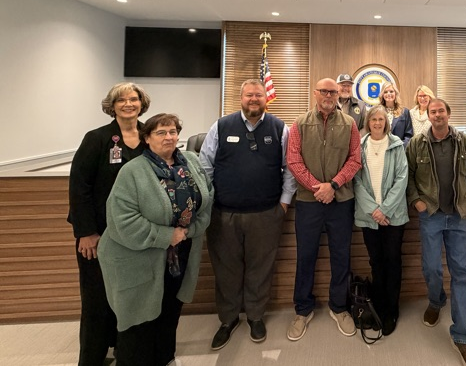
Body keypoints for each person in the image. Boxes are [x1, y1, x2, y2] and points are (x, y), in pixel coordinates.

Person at [98, 114, 213, 366]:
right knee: (139, 320)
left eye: (172, 131)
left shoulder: (191, 163)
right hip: (136, 257)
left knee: (170, 311)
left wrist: (187, 232)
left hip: (179, 255)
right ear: (147, 138)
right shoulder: (133, 171)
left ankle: (165, 358)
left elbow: (207, 201)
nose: (169, 137)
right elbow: (122, 221)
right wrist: (167, 235)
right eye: (161, 132)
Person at [200, 79, 296, 350]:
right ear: (240, 98)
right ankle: (228, 319)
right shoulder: (220, 126)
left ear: (266, 98)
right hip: (223, 214)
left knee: (260, 269)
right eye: (249, 95)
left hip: (266, 214)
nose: (254, 99)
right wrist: (207, 201)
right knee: (226, 270)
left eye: (258, 95)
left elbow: (290, 168)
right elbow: (204, 167)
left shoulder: (280, 128)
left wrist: (284, 202)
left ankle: (255, 316)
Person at [68, 82, 150, 366]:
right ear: (111, 106)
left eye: (134, 99)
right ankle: (91, 358)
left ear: (142, 103)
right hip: (100, 235)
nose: (129, 104)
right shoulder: (97, 139)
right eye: (122, 100)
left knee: (128, 297)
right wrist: (86, 232)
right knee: (96, 301)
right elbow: (79, 187)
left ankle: (122, 350)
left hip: (135, 235)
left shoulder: (148, 137)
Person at [406, 98, 466, 366]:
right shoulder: (417, 143)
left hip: (458, 216)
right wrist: (416, 200)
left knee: (461, 273)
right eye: (432, 111)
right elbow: (409, 175)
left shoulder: (463, 141)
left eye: (441, 111)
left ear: (449, 114)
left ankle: (463, 337)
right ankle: (436, 301)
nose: (437, 115)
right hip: (431, 216)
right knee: (431, 268)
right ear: (428, 116)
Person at [286, 77, 362, 341]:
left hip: (341, 202)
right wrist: (318, 187)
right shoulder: (299, 123)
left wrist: (333, 185)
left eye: (333, 91)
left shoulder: (350, 124)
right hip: (309, 202)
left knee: (341, 256)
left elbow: (355, 160)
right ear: (315, 93)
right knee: (305, 256)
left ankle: (339, 307)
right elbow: (293, 160)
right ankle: (303, 309)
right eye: (324, 91)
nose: (329, 95)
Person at [353, 105, 409, 336]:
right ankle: (378, 307)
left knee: (392, 261)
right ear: (368, 121)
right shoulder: (360, 145)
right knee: (376, 262)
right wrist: (373, 210)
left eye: (381, 119)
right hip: (369, 217)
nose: (377, 123)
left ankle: (391, 311)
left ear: (387, 122)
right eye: (373, 119)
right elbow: (356, 180)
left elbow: (402, 179)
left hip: (393, 217)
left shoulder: (396, 145)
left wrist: (384, 209)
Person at [379, 82, 413, 147]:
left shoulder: (404, 112)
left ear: (396, 93)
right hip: (380, 149)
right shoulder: (377, 111)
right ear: (382, 94)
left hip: (399, 150)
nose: (388, 94)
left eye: (391, 91)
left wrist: (400, 147)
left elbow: (408, 135)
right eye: (385, 92)